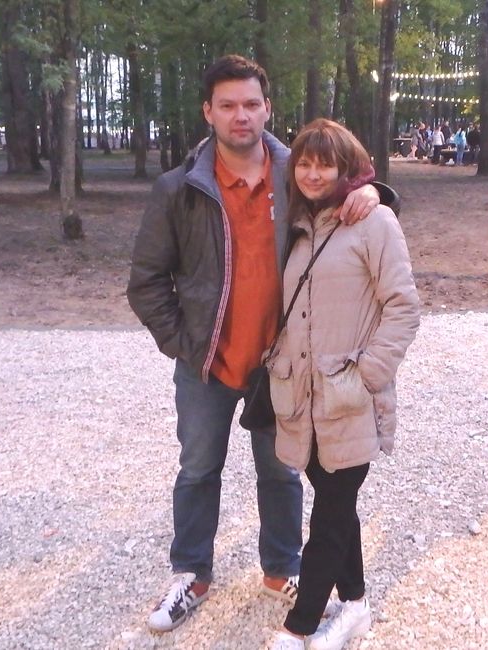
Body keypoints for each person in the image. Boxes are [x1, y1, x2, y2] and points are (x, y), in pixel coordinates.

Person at [126, 55, 397, 634]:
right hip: (207, 362)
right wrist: (184, 342)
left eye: (251, 104)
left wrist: (375, 193)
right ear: (208, 112)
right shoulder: (179, 189)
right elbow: (145, 281)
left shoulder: (295, 173)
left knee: (282, 473)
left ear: (267, 108)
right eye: (227, 105)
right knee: (198, 469)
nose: (240, 115)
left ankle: (281, 568)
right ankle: (191, 573)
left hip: (282, 364)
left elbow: (350, 192)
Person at [267, 118, 420, 650]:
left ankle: (301, 624)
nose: (312, 174)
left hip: (349, 399)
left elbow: (403, 307)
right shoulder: (300, 223)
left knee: (329, 513)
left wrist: (368, 376)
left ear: (346, 168)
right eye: (304, 163)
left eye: (325, 164)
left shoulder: (374, 222)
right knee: (336, 501)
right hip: (302, 399)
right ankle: (355, 604)